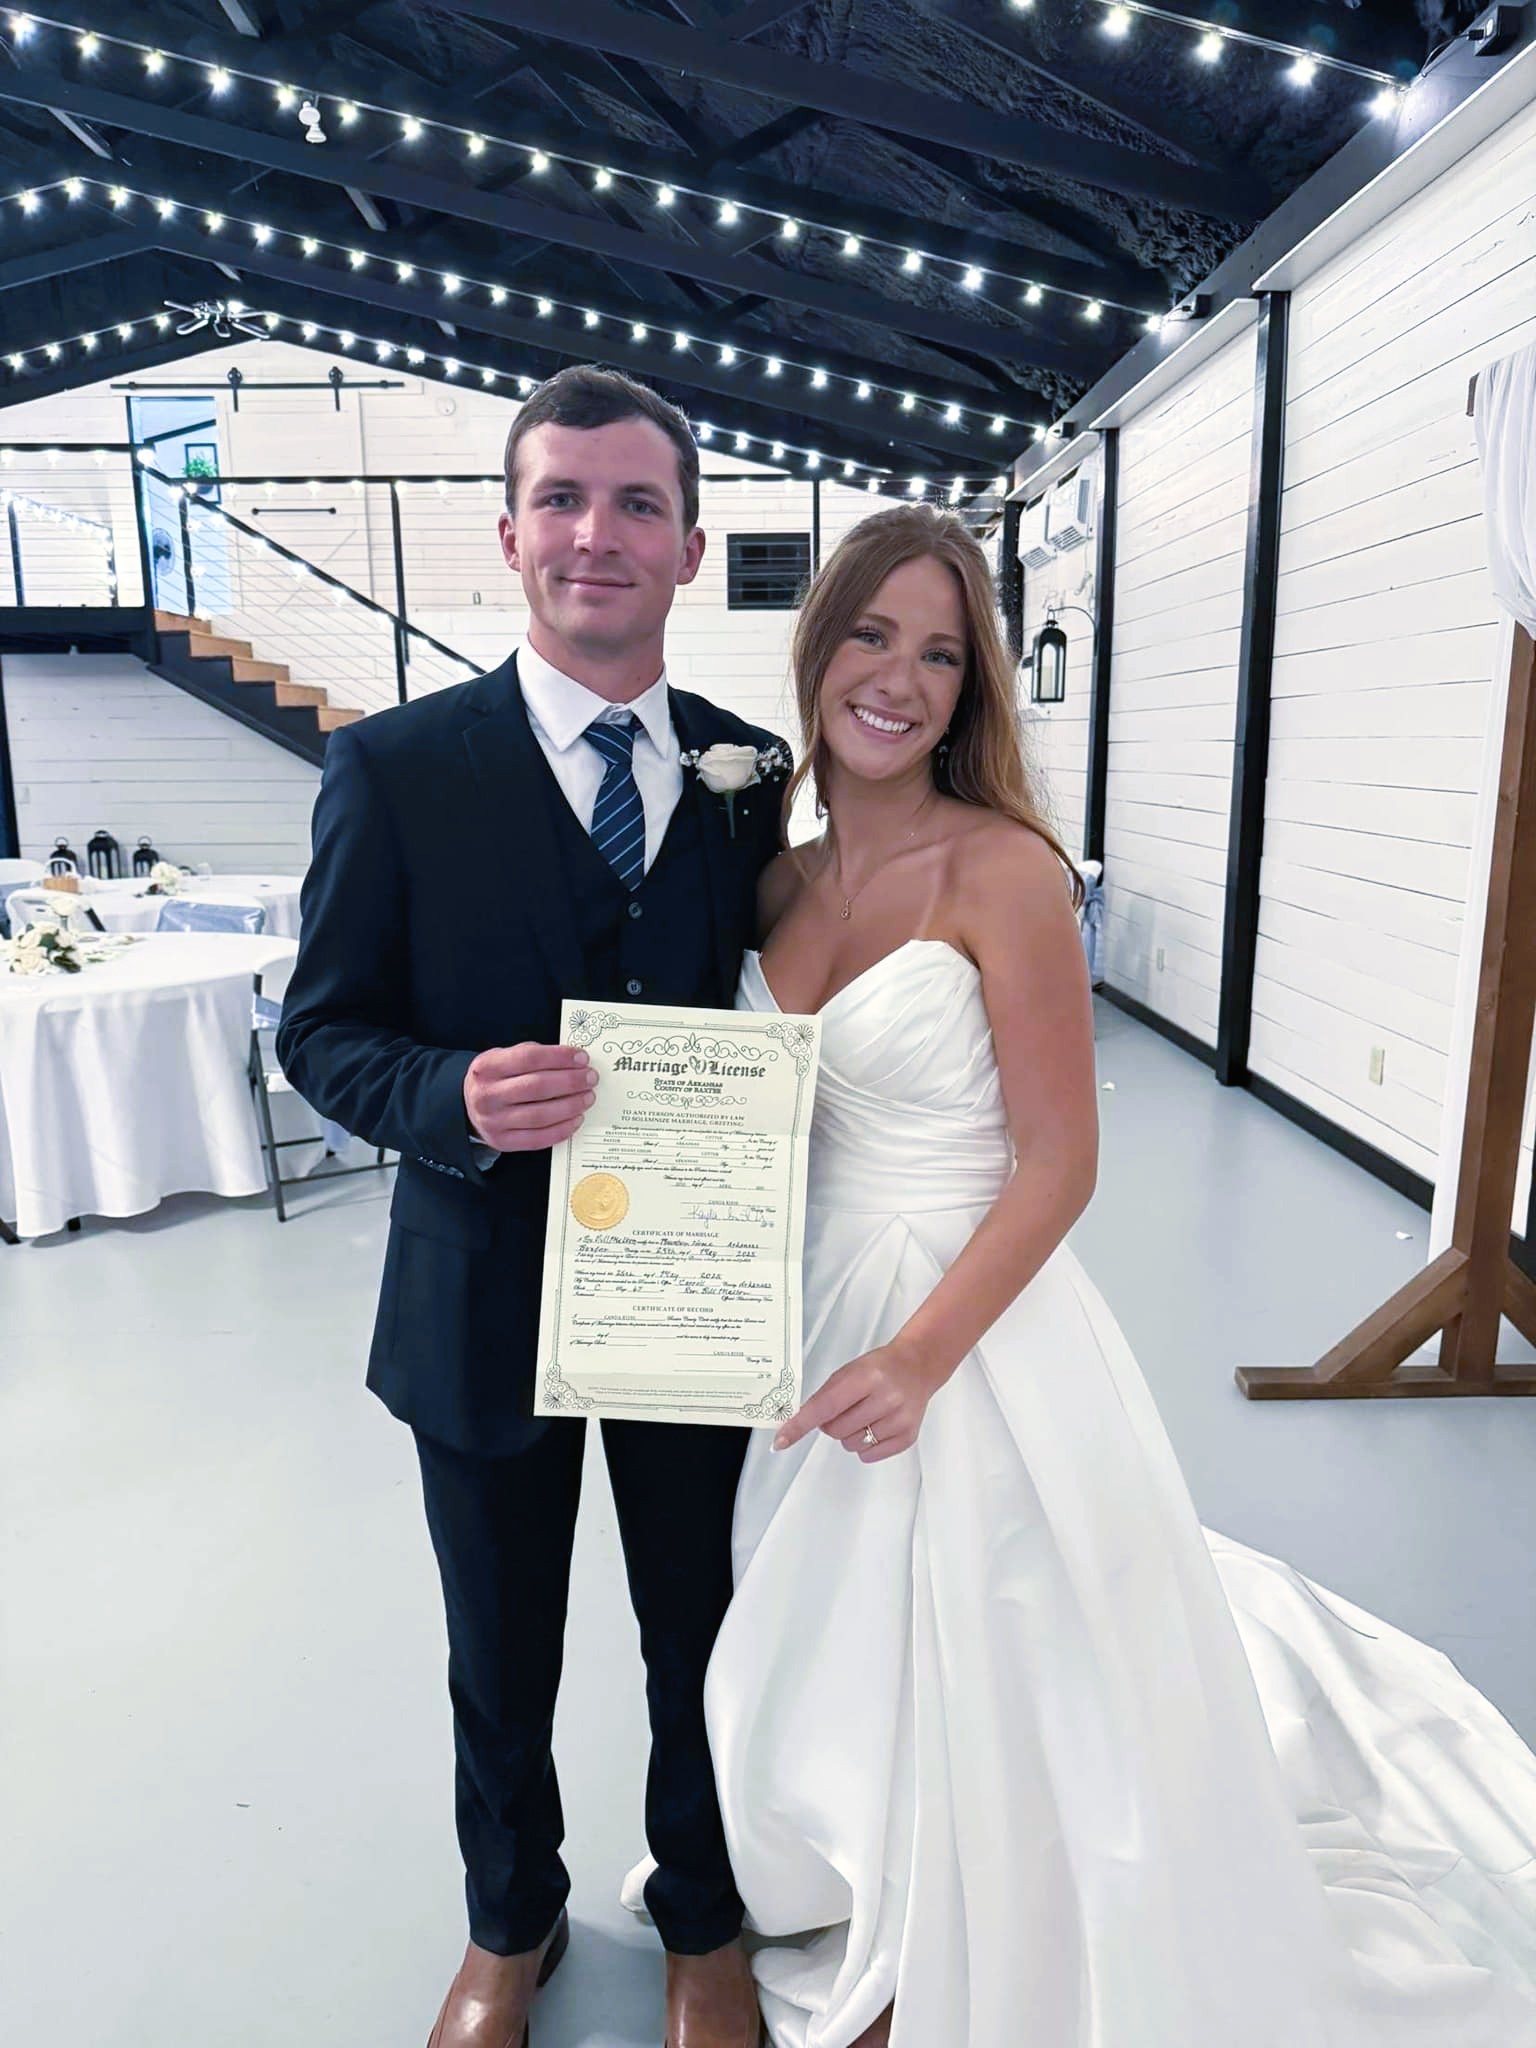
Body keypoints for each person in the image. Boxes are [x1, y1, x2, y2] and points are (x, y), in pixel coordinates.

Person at [695, 503, 1536, 2047]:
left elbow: (1061, 1163)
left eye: (941, 654)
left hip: (967, 1321)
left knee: (996, 1626)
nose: (900, 680)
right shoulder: (773, 878)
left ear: (973, 689)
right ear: (816, 651)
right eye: (872, 635)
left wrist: (922, 1357)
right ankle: (858, 1872)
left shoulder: (1004, 871)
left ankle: (978, 1914)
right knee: (826, 1618)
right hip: (809, 1300)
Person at [277, 365, 780, 2048]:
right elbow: (322, 1033)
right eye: (561, 498)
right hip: (478, 1293)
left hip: (692, 1292)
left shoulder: (751, 773)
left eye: (638, 503)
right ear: (508, 535)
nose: (596, 534)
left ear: (690, 547)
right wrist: (451, 1101)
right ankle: (513, 1923)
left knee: (702, 1626)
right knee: (498, 1643)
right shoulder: (394, 768)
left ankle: (704, 1913)